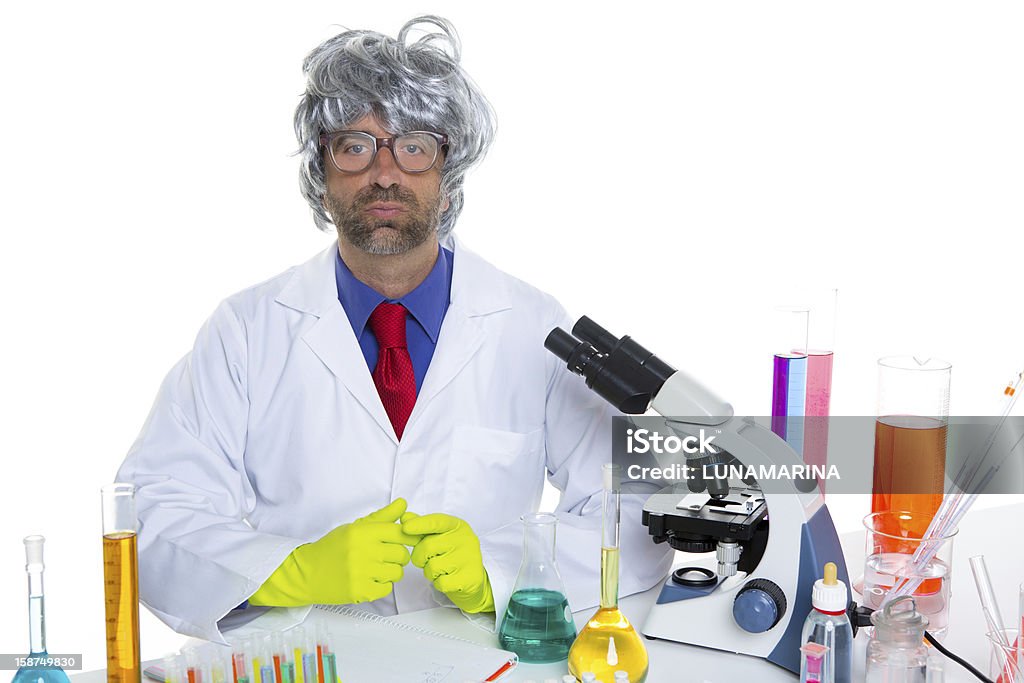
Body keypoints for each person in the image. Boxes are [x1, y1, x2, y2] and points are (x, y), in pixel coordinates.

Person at [116, 15, 671, 642]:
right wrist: (289, 569)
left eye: (413, 146)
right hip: (306, 658)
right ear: (320, 172)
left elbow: (636, 508)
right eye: (354, 146)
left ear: (448, 169)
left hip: (478, 657)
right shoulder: (246, 331)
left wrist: (501, 569)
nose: (384, 173)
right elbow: (153, 509)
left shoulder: (532, 325)